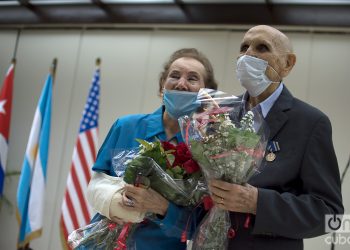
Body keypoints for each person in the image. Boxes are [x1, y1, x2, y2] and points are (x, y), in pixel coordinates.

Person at [209, 25, 344, 250]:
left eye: (262, 48)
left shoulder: (310, 123)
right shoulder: (219, 115)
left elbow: (330, 213)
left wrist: (259, 203)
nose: (248, 54)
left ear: (287, 64)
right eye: (244, 47)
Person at [87, 48, 218, 250]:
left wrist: (162, 207)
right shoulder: (126, 126)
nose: (181, 83)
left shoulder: (208, 149)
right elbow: (96, 184)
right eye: (174, 76)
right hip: (102, 244)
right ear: (161, 87)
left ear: (206, 96)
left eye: (193, 79)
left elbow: (201, 225)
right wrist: (114, 200)